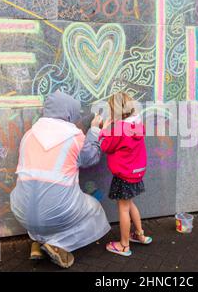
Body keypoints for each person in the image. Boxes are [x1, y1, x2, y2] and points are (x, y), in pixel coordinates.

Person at [10, 91, 110, 268]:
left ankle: (37, 243)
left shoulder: (29, 135)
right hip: (57, 211)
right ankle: (59, 245)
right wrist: (94, 130)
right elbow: (91, 158)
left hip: (21, 210)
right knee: (94, 210)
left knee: (37, 203)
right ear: (69, 113)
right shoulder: (74, 136)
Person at [99, 92, 152, 257]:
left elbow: (106, 147)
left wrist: (104, 130)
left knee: (123, 208)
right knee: (130, 204)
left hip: (124, 175)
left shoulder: (120, 129)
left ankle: (124, 245)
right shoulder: (136, 125)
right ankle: (140, 235)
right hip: (136, 173)